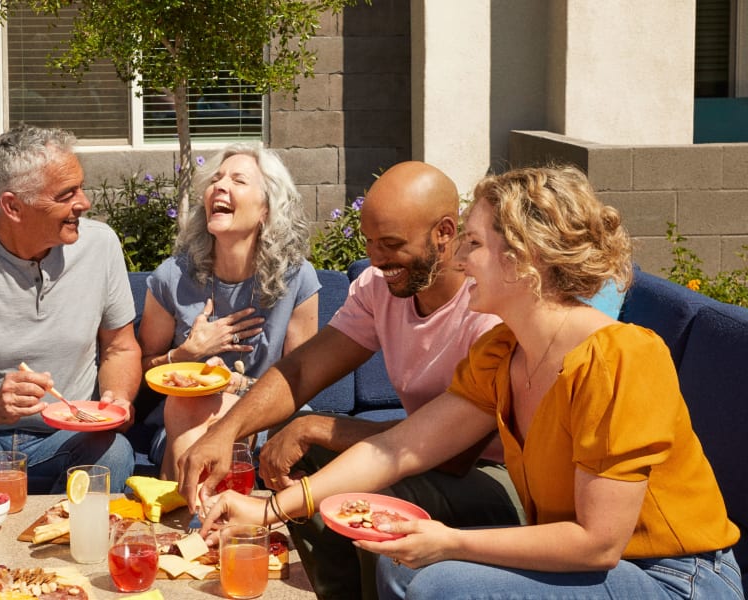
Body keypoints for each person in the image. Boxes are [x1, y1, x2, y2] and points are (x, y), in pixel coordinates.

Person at [201, 165, 744, 599]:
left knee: (439, 580)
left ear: (526, 258)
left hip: (673, 577)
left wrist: (449, 542)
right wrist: (268, 509)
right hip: (599, 566)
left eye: (473, 244)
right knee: (402, 562)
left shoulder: (622, 358)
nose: (459, 259)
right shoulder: (502, 353)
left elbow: (599, 545)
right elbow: (399, 447)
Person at [178, 161, 524, 598]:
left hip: (498, 475)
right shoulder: (380, 286)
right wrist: (224, 433)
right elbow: (304, 369)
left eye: (392, 244)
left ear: (444, 232)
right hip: (419, 452)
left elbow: (450, 450)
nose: (377, 259)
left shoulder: (488, 310)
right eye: (370, 242)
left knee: (365, 487)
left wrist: (316, 428)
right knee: (297, 438)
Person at [0, 124, 140, 495]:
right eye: (67, 195)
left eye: (80, 187)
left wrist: (118, 399)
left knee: (113, 452)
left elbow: (120, 347)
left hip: (67, 439)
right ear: (13, 206)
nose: (84, 203)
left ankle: (76, 545)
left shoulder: (101, 245)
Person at [137, 142, 320, 480]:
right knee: (194, 414)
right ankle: (191, 521)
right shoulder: (171, 278)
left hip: (269, 417)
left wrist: (237, 387)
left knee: (303, 435)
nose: (219, 186)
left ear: (266, 208)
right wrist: (185, 355)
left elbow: (303, 381)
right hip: (190, 418)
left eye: (238, 181)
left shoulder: (297, 278)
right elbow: (141, 372)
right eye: (216, 180)